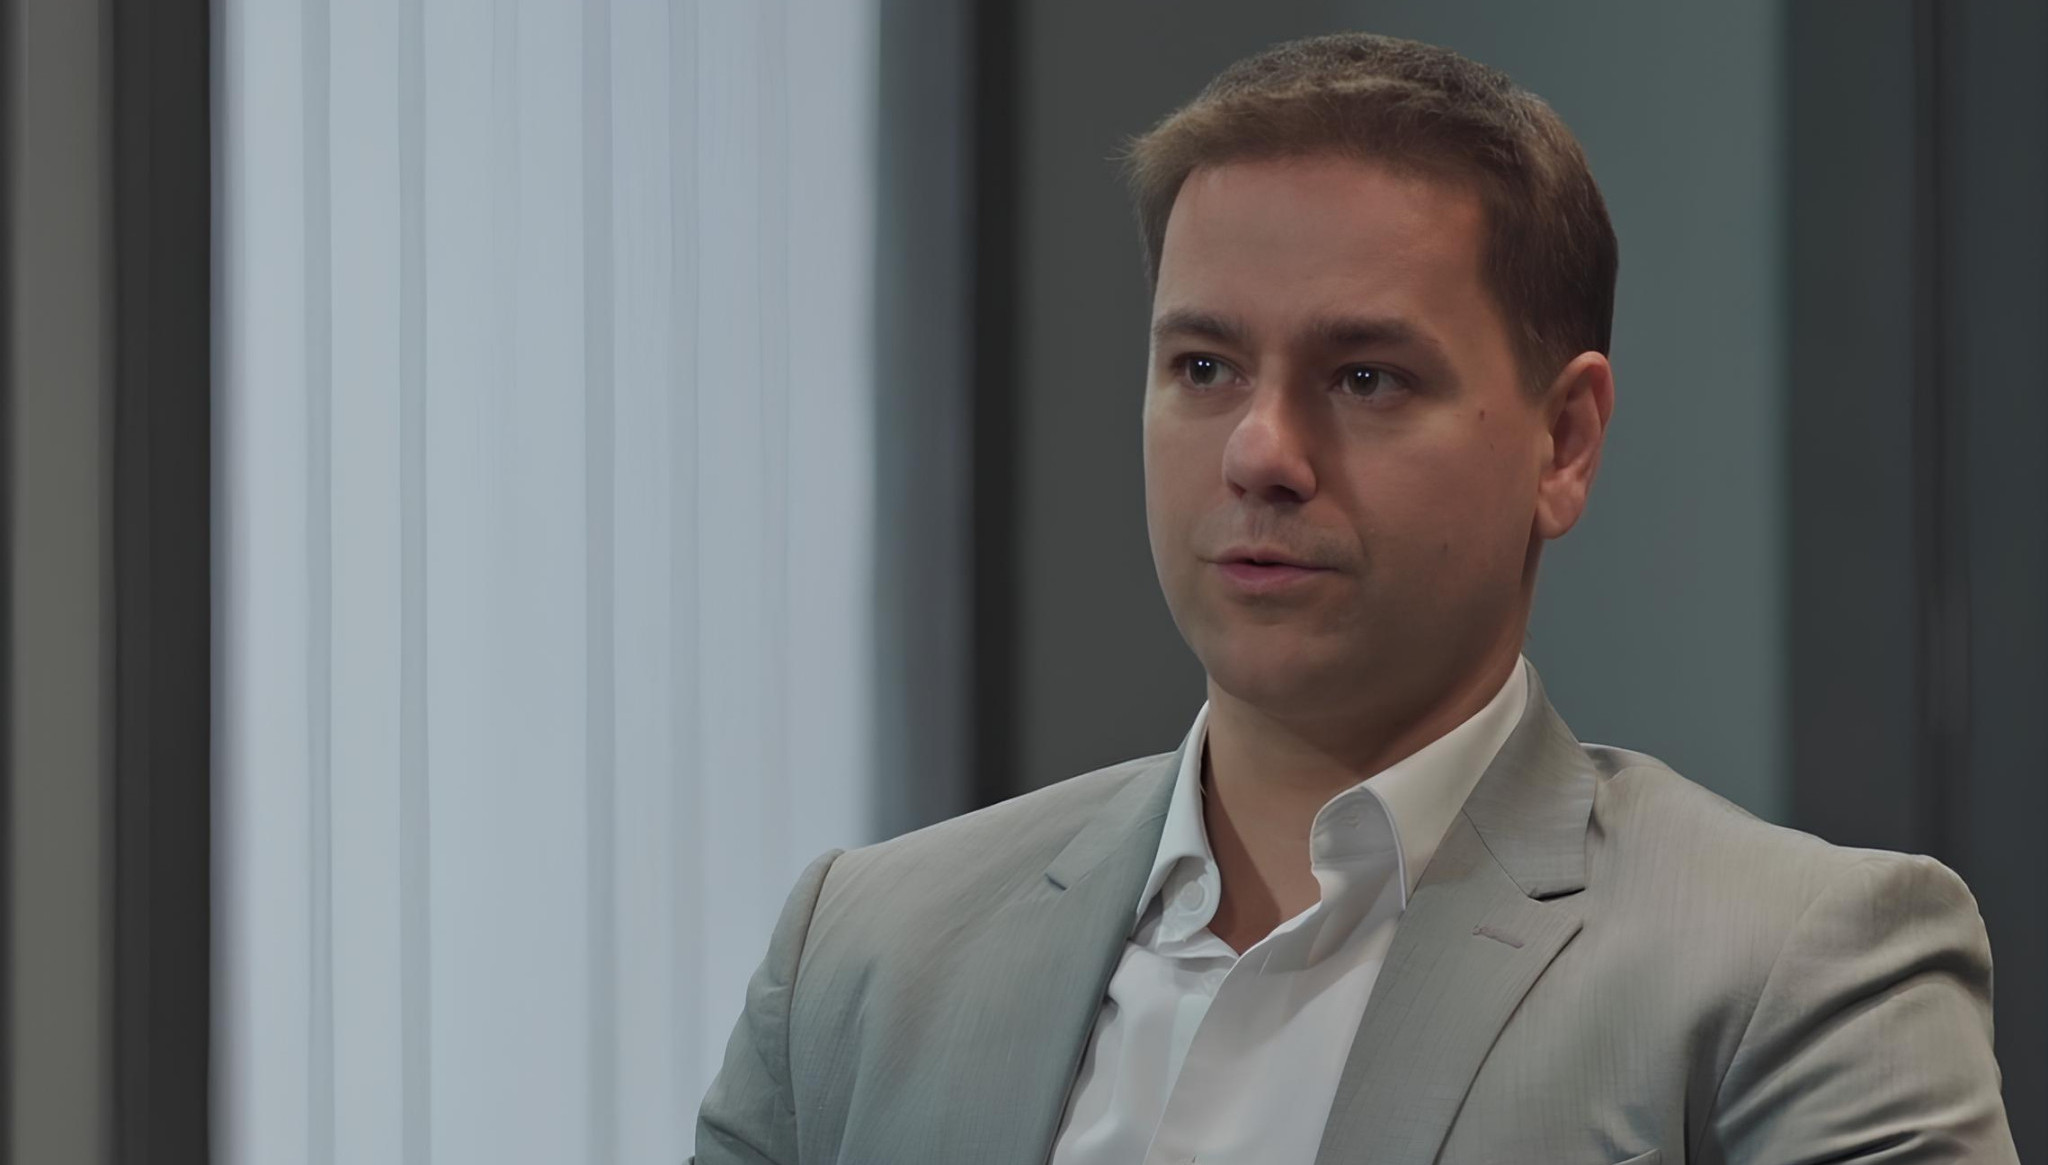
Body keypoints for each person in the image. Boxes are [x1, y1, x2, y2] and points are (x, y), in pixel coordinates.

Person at [693, 31, 2018, 1164]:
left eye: (1366, 377)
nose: (1260, 451)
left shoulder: (1801, 971)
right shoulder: (860, 958)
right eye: (1203, 366)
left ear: (1563, 443)